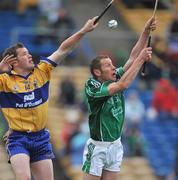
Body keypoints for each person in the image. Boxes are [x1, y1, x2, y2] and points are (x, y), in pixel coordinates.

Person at [0, 16, 98, 180]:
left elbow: (63, 49)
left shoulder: (42, 70)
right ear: (13, 62)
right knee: (23, 177)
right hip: (18, 139)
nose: (30, 55)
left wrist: (84, 30)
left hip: (40, 138)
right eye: (24, 54)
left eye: (28, 53)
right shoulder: (4, 81)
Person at [82, 16, 157, 180]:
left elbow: (132, 57)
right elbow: (122, 85)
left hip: (115, 145)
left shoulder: (114, 77)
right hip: (98, 147)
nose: (114, 67)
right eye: (108, 65)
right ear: (97, 72)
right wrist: (141, 60)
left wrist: (145, 31)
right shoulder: (92, 86)